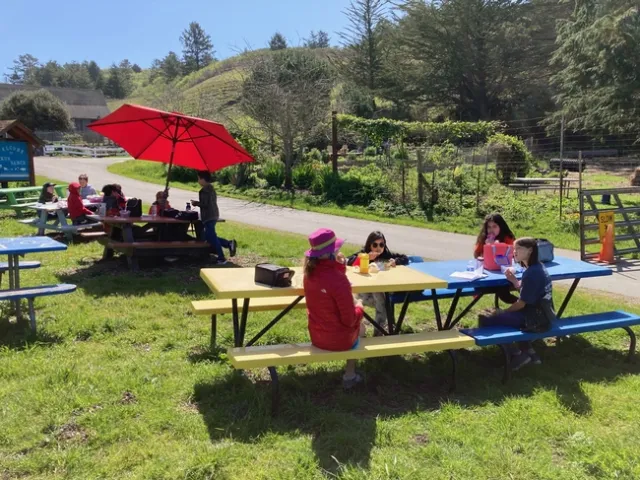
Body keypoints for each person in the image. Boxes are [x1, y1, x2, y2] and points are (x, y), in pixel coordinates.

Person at [478, 237, 556, 370]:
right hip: (544, 314)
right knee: (505, 317)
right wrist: (515, 282)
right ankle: (530, 353)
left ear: (530, 250)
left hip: (534, 319)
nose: (515, 252)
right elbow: (529, 290)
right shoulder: (537, 267)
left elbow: (521, 304)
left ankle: (516, 355)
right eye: (514, 249)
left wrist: (503, 312)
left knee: (486, 318)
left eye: (518, 249)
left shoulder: (532, 273)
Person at [303, 228, 366, 389]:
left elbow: (329, 281)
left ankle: (350, 374)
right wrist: (360, 307)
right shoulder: (339, 280)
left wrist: (339, 266)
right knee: (362, 328)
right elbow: (349, 320)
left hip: (317, 336)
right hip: (339, 340)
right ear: (330, 253)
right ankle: (350, 375)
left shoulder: (309, 273)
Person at [346, 231, 409, 334]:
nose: (378, 248)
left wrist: (395, 262)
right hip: (364, 292)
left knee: (381, 296)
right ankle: (378, 331)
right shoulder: (364, 254)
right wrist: (365, 258)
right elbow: (349, 261)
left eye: (381, 244)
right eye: (375, 245)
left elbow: (405, 258)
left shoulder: (386, 255)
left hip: (381, 290)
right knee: (381, 299)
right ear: (369, 245)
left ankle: (379, 331)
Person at [191, 171, 236, 264]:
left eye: (198, 179)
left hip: (208, 216)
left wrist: (196, 203)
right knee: (209, 236)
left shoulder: (204, 191)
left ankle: (221, 257)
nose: (198, 181)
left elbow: (205, 204)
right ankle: (228, 244)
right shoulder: (211, 188)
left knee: (212, 237)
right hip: (214, 214)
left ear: (203, 179)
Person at [474, 213, 518, 305]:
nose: (491, 230)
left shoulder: (507, 238)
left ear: (500, 227)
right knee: (478, 287)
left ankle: (523, 305)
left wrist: (498, 247)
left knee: (503, 293)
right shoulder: (483, 238)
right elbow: (477, 255)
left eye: (494, 227)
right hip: (488, 273)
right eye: (489, 227)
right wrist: (487, 247)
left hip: (506, 274)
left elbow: (514, 256)